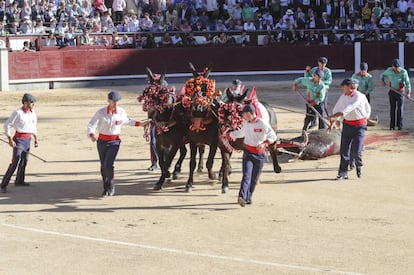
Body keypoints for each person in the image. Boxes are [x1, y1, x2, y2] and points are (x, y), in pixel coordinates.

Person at [87, 91, 149, 196]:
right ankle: (105, 186)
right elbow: (91, 124)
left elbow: (127, 121)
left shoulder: (121, 112)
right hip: (101, 141)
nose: (115, 103)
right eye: (113, 101)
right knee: (103, 165)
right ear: (108, 101)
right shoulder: (101, 112)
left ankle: (110, 185)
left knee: (108, 164)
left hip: (114, 142)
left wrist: (141, 124)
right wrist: (91, 134)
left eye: (117, 101)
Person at [227, 104, 277, 206]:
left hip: (259, 155)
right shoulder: (246, 124)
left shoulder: (263, 123)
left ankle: (248, 197)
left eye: (244, 114)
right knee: (246, 176)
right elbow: (240, 133)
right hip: (248, 153)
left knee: (254, 178)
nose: (243, 117)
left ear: (250, 113)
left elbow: (273, 135)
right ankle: (241, 196)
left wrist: (265, 143)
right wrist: (229, 135)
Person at [327, 78, 371, 180]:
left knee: (356, 151)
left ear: (350, 87)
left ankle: (358, 164)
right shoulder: (343, 96)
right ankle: (343, 173)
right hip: (347, 125)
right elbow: (337, 109)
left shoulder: (358, 96)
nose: (342, 88)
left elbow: (348, 109)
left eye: (344, 86)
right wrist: (332, 122)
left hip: (359, 127)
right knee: (344, 150)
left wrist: (334, 116)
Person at [1, 94, 38, 193]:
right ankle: (3, 184)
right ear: (25, 103)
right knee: (15, 162)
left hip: (27, 140)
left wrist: (35, 138)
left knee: (24, 161)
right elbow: (7, 124)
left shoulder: (32, 112)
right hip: (19, 140)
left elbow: (33, 125)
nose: (33, 104)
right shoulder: (18, 113)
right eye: (31, 102)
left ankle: (19, 180)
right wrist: (10, 139)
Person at [380, 59, 412, 130]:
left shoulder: (403, 72)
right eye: (395, 67)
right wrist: (382, 80)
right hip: (392, 91)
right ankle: (392, 126)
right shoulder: (389, 71)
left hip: (400, 92)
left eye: (398, 67)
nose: (397, 69)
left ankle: (399, 126)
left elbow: (407, 83)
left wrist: (408, 93)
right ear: (392, 67)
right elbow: (382, 75)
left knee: (400, 109)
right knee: (392, 108)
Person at [305, 56, 333, 126]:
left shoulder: (327, 71)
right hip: (313, 91)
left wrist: (321, 83)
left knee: (323, 108)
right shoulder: (314, 70)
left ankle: (323, 125)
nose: (323, 65)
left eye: (324, 64)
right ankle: (313, 123)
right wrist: (307, 72)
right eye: (321, 64)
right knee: (313, 107)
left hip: (323, 91)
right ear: (318, 63)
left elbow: (329, 81)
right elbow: (308, 78)